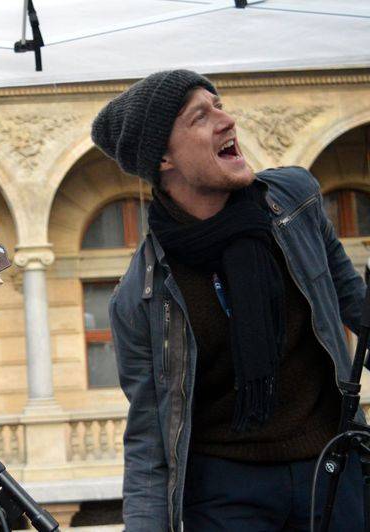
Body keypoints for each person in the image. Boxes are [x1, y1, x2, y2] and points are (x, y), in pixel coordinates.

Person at [91, 70, 366, 531]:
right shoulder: (139, 297)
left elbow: (357, 308)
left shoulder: (295, 202)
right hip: (224, 496)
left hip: (333, 468)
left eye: (219, 105)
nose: (226, 120)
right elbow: (149, 442)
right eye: (200, 117)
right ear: (163, 158)